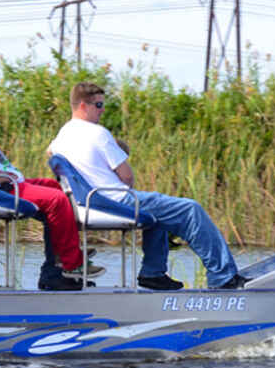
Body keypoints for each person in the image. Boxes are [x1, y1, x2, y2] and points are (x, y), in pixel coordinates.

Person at [48, 81, 247, 290]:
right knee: (190, 209)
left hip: (86, 201)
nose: (102, 110)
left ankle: (153, 273)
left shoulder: (61, 136)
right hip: (112, 199)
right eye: (98, 105)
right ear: (82, 106)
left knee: (160, 210)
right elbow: (127, 177)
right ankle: (223, 277)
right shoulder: (98, 133)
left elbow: (51, 156)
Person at [0, 83, 103, 290]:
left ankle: (58, 263)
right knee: (56, 200)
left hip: (4, 184)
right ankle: (71, 263)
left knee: (55, 189)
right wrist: (9, 177)